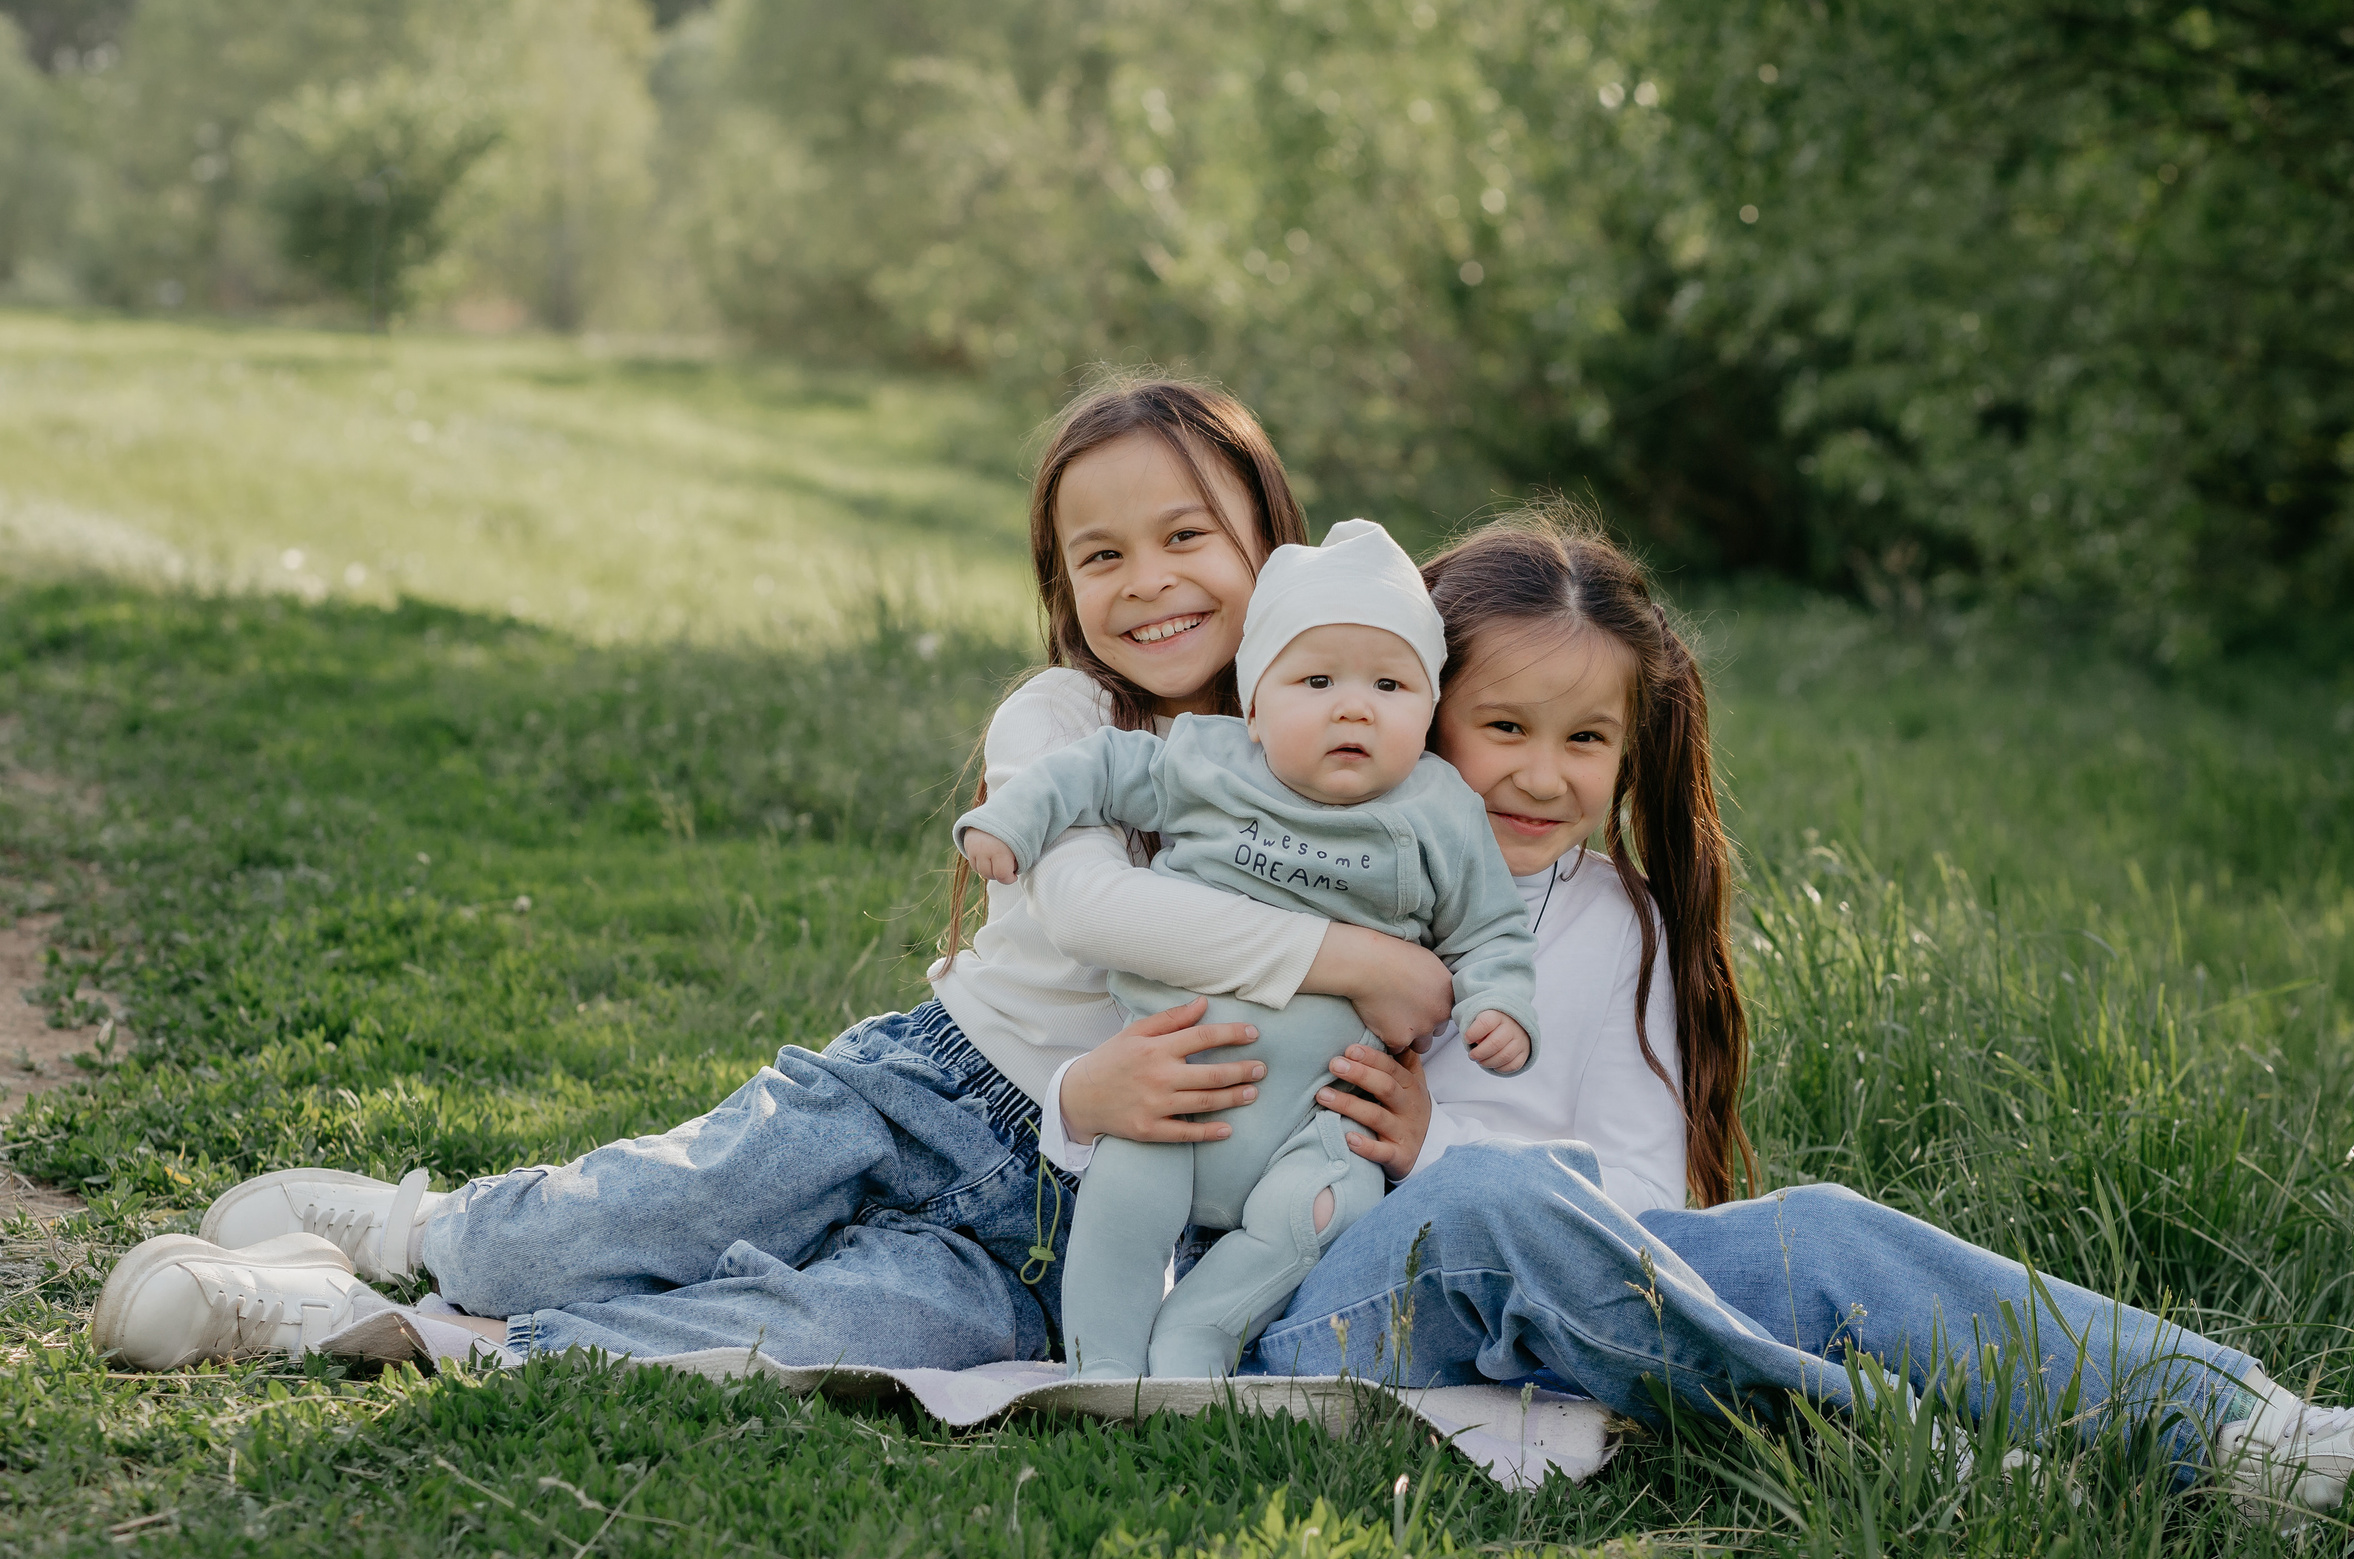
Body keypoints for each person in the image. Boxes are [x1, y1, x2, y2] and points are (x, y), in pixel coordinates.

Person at [1045, 509, 2354, 1518]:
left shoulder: (1619, 927)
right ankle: (1888, 1448)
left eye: (1586, 739)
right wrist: (1096, 1104)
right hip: (1308, 1313)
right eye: (1502, 730)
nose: (1541, 777)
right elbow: (1132, 1097)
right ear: (1415, 708)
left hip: (1547, 1268)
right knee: (1481, 1200)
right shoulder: (1270, 879)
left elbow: (1655, 1197)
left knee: (1827, 1226)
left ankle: (2251, 1428)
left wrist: (1436, 1144)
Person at [87, 375, 1460, 1374]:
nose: (1146, 581)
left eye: (1186, 537)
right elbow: (1100, 908)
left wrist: (1390, 1091)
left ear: (1271, 549)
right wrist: (1350, 967)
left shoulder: (1354, 777)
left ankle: (379, 1322)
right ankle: (421, 1225)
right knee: (637, 1211)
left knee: (835, 1331)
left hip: (1048, 1237)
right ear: (1061, 582)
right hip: (928, 1090)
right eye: (1100, 554)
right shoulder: (1064, 725)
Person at [958, 518, 1538, 1378]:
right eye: (1316, 679)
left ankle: (1198, 1337)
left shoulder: (1439, 809)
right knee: (1124, 1198)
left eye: (1391, 682)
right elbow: (1095, 771)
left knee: (1316, 1212)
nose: (1354, 704)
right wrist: (1012, 819)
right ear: (1255, 705)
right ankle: (1103, 1369)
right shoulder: (1211, 759)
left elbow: (1489, 928)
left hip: (1321, 1116)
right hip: (1177, 1082)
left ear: (1429, 709)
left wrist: (1501, 1006)